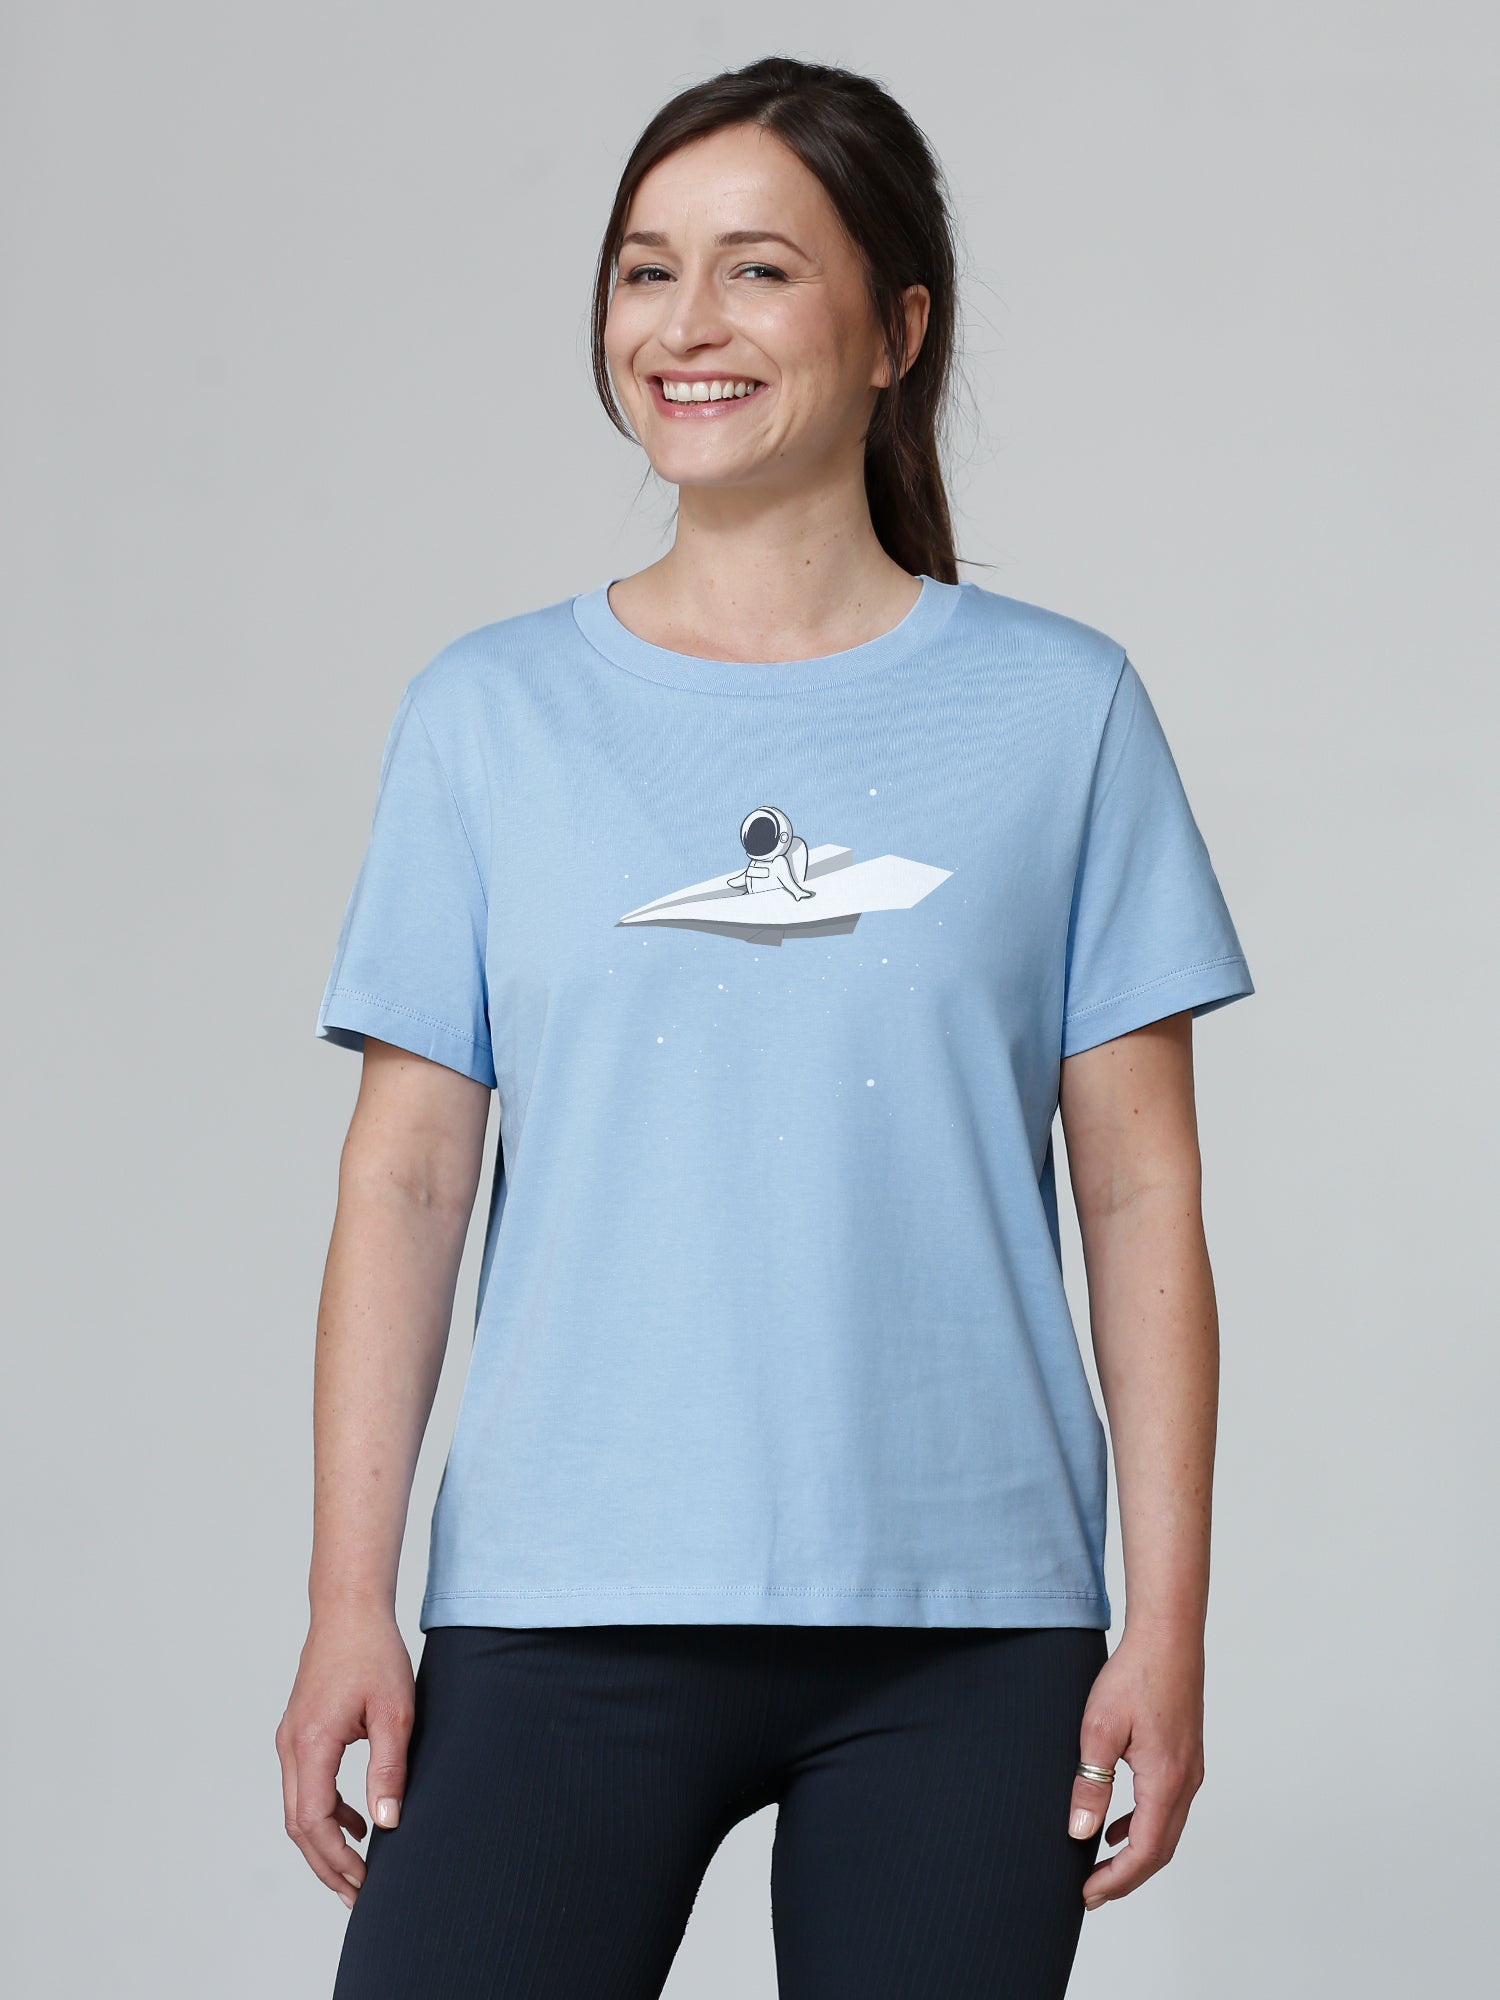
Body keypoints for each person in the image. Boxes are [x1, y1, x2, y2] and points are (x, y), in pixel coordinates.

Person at [276, 54, 1256, 2000]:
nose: (686, 324)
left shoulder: (1060, 711)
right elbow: (405, 1185)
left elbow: (1143, 1195)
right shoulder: (487, 717)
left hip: (971, 1629)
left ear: (897, 330)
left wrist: (1169, 1621)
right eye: (647, 271)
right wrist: (344, 1601)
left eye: (757, 269)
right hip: (560, 1598)